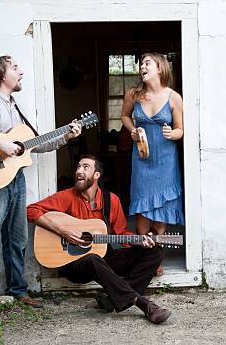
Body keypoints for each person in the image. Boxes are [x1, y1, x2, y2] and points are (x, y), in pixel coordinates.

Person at [0, 55, 82, 321]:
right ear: (1, 74)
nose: (21, 72)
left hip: (15, 179)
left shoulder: (15, 107)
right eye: (15, 68)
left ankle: (18, 289)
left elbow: (33, 145)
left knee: (17, 239)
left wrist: (66, 136)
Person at [27, 155, 172, 324]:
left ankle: (112, 299)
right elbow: (32, 210)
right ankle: (143, 303)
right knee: (91, 258)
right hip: (74, 264)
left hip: (104, 256)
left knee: (155, 252)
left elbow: (121, 234)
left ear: (96, 175)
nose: (79, 171)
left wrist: (139, 240)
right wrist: (63, 231)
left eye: (85, 167)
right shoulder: (67, 197)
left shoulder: (112, 200)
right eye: (78, 167)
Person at [120, 53, 185, 262]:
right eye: (141, 64)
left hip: (166, 161)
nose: (142, 67)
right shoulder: (133, 94)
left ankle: (155, 258)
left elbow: (180, 130)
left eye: (147, 63)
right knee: (143, 208)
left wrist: (171, 134)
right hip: (142, 159)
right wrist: (132, 130)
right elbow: (124, 116)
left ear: (160, 68)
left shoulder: (174, 97)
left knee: (162, 209)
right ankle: (143, 256)